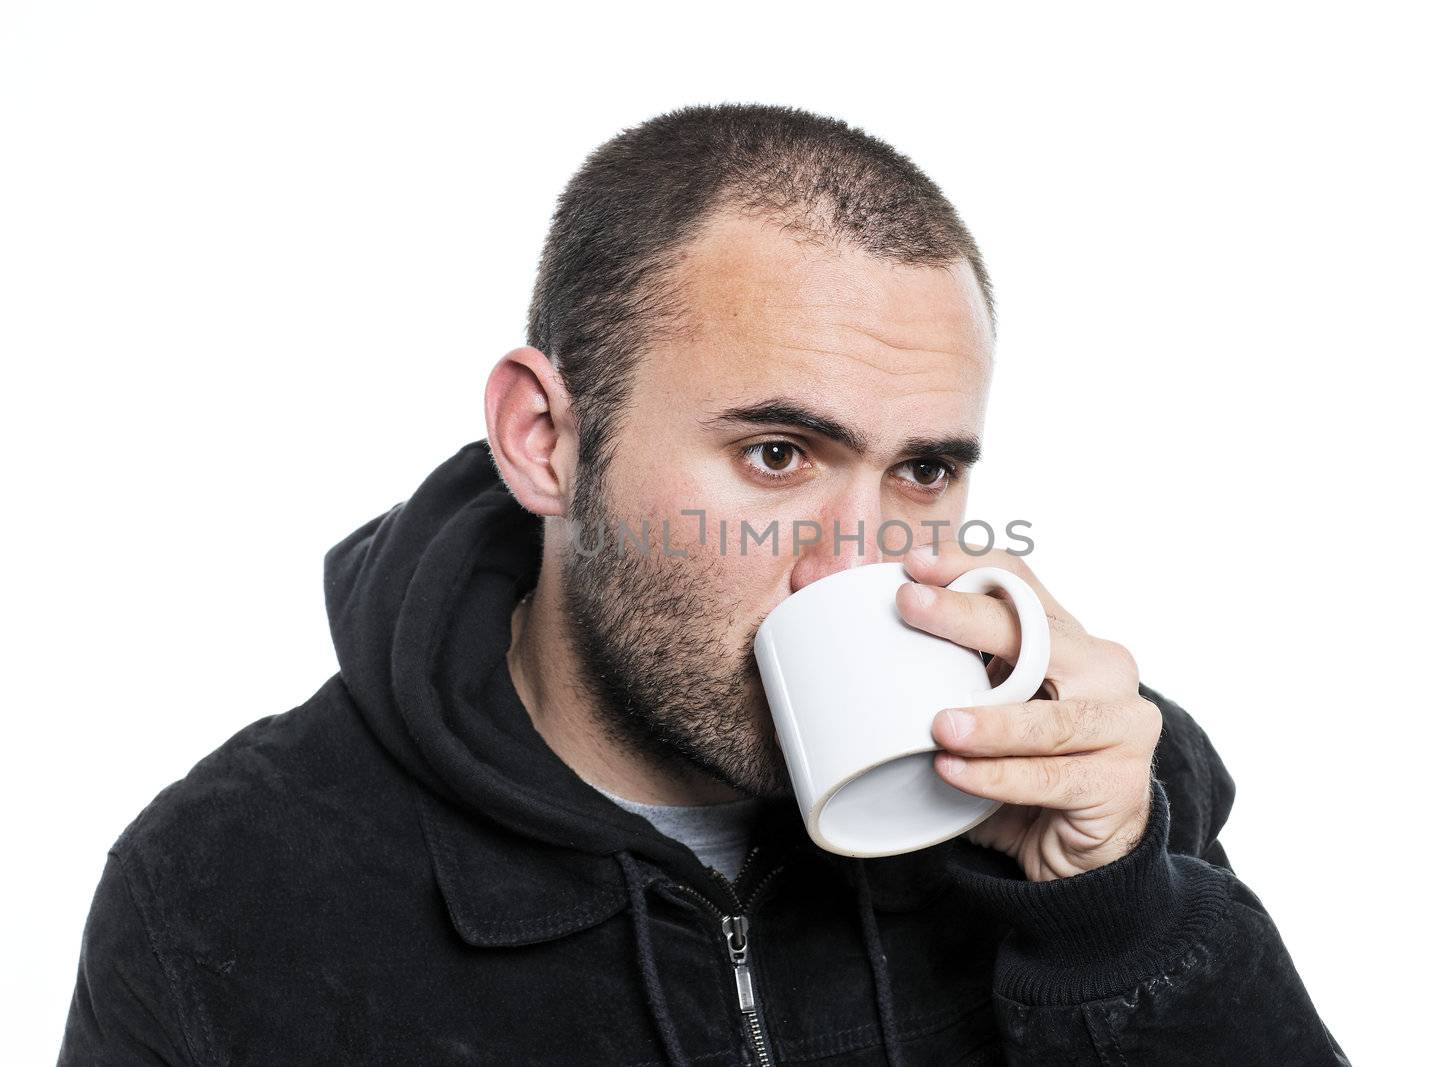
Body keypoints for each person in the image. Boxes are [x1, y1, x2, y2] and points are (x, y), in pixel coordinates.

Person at [58, 103, 1348, 1065]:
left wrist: (1114, 917)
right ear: (546, 441)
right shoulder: (234, 887)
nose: (859, 560)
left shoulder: (1100, 798)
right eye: (778, 455)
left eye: (924, 473)